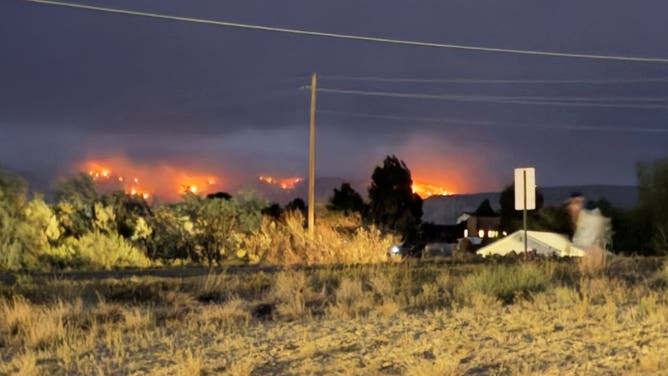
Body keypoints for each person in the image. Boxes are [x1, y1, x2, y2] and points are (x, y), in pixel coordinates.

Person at [565, 193, 611, 271]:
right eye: (571, 203)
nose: (572, 207)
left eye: (576, 203)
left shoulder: (592, 220)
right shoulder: (576, 221)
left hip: (591, 256)